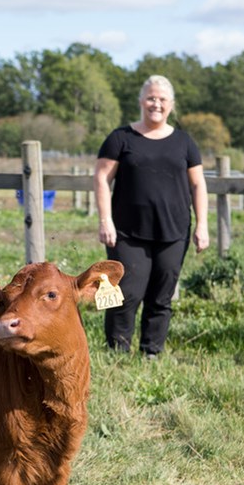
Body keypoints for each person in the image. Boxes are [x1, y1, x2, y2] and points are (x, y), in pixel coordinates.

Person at [94, 75, 209, 358]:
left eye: (162, 99)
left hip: (174, 231)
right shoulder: (121, 138)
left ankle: (151, 352)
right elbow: (100, 178)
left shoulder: (184, 142)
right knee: (125, 293)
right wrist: (105, 220)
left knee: (161, 296)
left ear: (171, 105)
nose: (156, 104)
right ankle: (117, 351)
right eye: (150, 98)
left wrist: (203, 225)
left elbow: (198, 184)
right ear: (141, 101)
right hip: (127, 232)